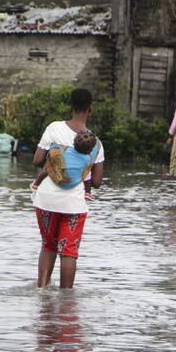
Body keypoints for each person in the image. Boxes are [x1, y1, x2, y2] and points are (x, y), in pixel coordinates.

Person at [32, 88, 105, 289]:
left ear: (71, 107)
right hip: (74, 203)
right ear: (90, 109)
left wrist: (56, 159)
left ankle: (42, 290)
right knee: (69, 251)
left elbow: (37, 160)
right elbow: (96, 182)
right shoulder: (96, 144)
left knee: (48, 245)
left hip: (46, 199)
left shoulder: (54, 128)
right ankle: (66, 298)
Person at [31, 130, 99, 191]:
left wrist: (53, 146)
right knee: (87, 173)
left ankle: (36, 184)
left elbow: (54, 148)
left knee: (48, 166)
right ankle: (88, 192)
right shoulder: (88, 159)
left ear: (74, 142)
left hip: (58, 180)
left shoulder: (67, 150)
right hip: (73, 183)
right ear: (91, 149)